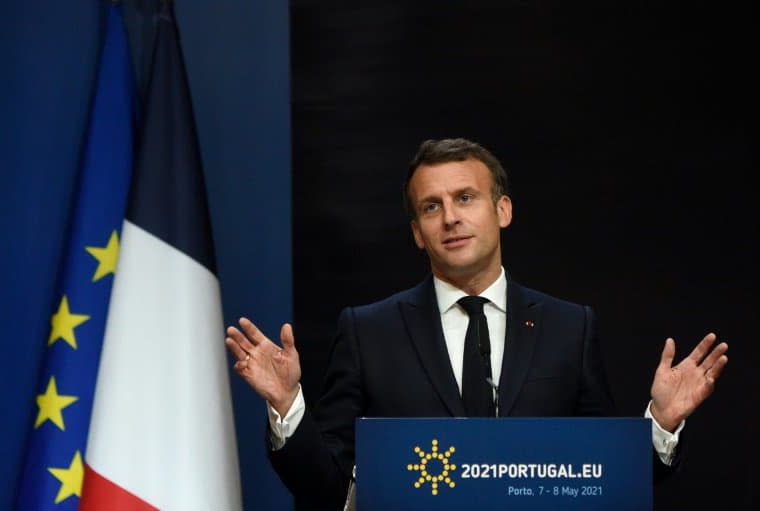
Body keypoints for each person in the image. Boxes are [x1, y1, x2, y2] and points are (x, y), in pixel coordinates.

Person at [225, 138, 728, 509]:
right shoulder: (368, 332)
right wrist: (289, 407)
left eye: (465, 198)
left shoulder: (570, 328)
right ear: (418, 234)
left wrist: (659, 425)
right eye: (431, 207)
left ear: (502, 210)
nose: (450, 217)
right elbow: (327, 489)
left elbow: (601, 476)